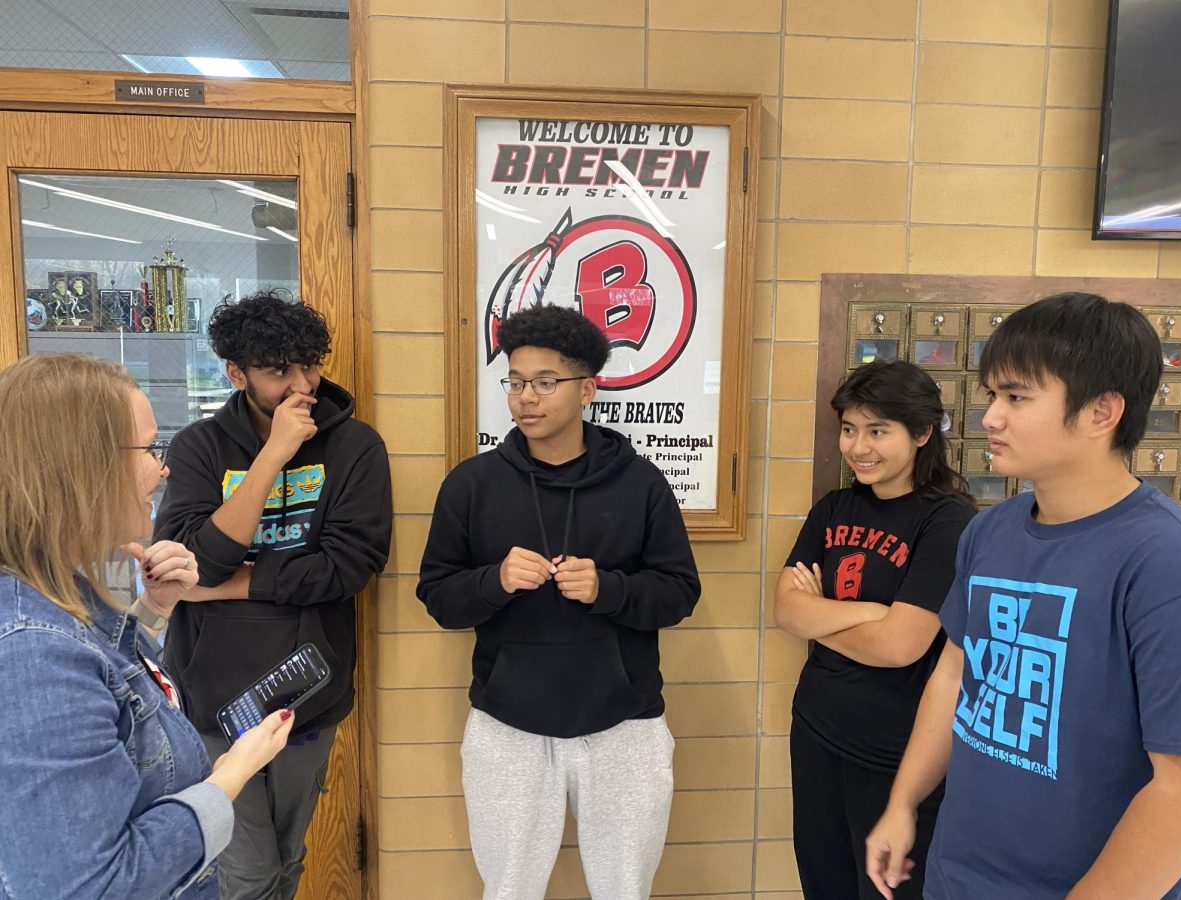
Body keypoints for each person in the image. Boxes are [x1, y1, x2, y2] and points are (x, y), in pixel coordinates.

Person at [867, 293, 1181, 899]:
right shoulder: (991, 528)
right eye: (993, 395)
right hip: (959, 874)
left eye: (1016, 397)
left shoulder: (1170, 560)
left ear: (1102, 412)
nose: (989, 417)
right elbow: (956, 672)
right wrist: (904, 801)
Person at [417, 304, 701, 900]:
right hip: (506, 722)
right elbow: (438, 596)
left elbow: (679, 592)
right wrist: (493, 581)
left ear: (588, 388)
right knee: (509, 888)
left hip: (625, 721)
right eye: (516, 382)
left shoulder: (641, 482)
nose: (527, 398)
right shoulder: (471, 485)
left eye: (546, 382)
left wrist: (609, 589)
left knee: (625, 889)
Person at [0, 353, 292, 899]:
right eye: (149, 449)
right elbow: (93, 887)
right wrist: (229, 777)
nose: (164, 468)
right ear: (81, 465)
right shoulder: (32, 656)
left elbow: (108, 694)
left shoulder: (57, 597)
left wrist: (154, 608)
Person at [153, 291, 393, 899]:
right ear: (236, 374)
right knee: (248, 869)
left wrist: (232, 586)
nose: (301, 385)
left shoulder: (355, 447)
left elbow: (348, 568)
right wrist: (274, 455)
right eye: (278, 370)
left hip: (306, 693)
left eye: (309, 364)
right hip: (213, 700)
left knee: (287, 859)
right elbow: (196, 563)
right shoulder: (200, 448)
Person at [774, 360, 975, 899]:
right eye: (849, 429)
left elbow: (902, 646)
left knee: (888, 891)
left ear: (923, 433)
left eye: (878, 431)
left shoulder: (948, 520)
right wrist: (872, 613)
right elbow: (787, 611)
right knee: (824, 883)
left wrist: (828, 615)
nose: (858, 446)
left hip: (898, 751)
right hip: (817, 733)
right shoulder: (834, 507)